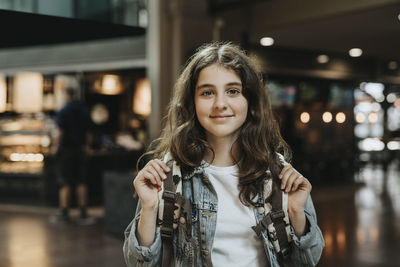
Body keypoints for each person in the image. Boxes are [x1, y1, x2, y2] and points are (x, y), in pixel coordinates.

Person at [123, 42, 324, 266]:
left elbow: (308, 261)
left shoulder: (279, 175)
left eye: (233, 91)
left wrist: (296, 213)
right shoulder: (167, 176)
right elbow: (137, 263)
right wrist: (149, 208)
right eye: (207, 92)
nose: (220, 104)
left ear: (250, 100)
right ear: (193, 102)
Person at [51, 87, 93, 224]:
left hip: (67, 150)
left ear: (66, 95)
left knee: (65, 182)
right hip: (80, 150)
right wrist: (87, 146)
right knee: (81, 181)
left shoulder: (63, 111)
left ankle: (64, 212)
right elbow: (89, 132)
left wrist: (56, 147)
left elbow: (60, 131)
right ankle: (83, 212)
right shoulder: (83, 110)